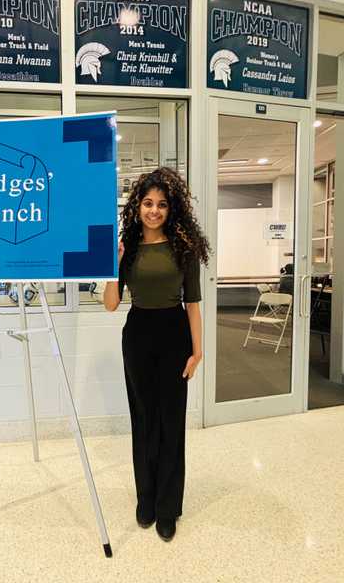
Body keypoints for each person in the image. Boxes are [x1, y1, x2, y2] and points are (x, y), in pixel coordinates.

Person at [103, 167, 210, 542]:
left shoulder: (184, 248)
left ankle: (167, 508)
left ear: (171, 208)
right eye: (148, 203)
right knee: (144, 421)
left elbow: (193, 304)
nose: (154, 211)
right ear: (137, 206)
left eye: (162, 204)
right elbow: (111, 305)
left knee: (171, 423)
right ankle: (145, 499)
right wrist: (113, 263)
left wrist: (197, 352)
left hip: (173, 334)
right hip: (137, 336)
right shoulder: (127, 248)